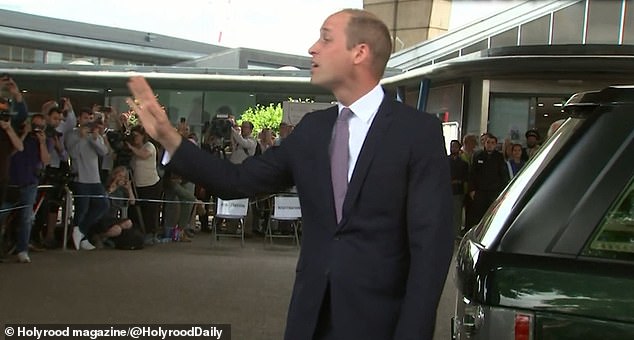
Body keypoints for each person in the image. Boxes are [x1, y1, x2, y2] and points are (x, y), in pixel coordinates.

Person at [127, 8, 452, 340]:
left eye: (326, 38)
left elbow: (432, 247)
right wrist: (170, 138)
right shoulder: (312, 130)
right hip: (309, 320)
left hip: (381, 323)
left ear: (360, 52)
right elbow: (235, 181)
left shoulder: (416, 133)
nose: (313, 48)